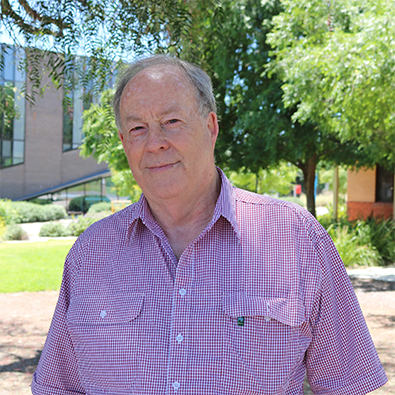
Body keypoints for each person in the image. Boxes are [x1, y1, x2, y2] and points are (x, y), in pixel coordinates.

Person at [32, 55, 387, 395]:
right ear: (124, 143)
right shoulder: (90, 254)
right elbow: (59, 388)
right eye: (137, 128)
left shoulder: (296, 239)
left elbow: (345, 385)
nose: (155, 142)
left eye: (171, 121)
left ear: (210, 126)